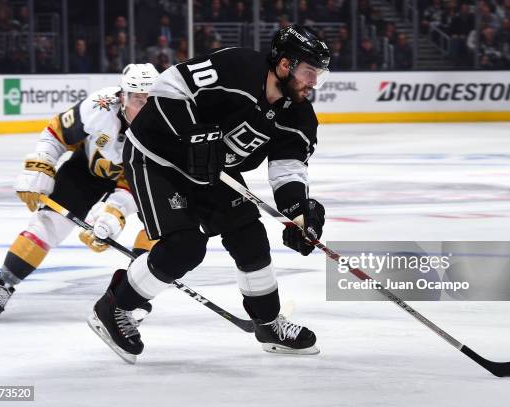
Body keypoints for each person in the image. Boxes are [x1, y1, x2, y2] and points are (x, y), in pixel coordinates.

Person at [87, 25, 330, 363]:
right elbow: (169, 84)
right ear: (286, 65)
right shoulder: (239, 67)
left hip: (213, 170)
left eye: (319, 75)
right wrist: (195, 135)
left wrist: (299, 212)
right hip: (157, 156)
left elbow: (287, 169)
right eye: (309, 72)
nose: (314, 82)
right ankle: (114, 307)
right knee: (184, 246)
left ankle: (269, 324)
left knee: (250, 236)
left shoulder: (298, 116)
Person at [0, 64, 160, 322]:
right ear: (122, 96)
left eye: (150, 99)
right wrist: (41, 162)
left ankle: (132, 298)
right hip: (86, 169)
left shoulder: (166, 126)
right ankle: (4, 283)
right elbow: (57, 131)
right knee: (48, 223)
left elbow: (144, 179)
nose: (144, 106)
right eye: (137, 98)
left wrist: (114, 213)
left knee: (159, 231)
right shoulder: (100, 105)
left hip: (139, 182)